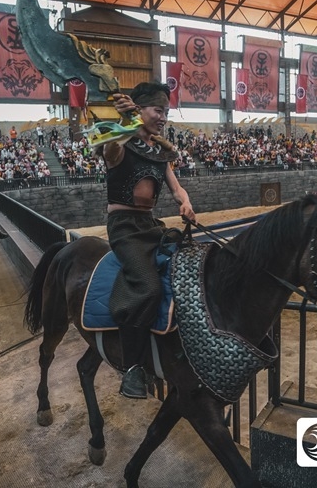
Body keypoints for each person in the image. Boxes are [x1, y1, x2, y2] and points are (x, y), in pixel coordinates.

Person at [105, 82, 196, 399]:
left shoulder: (159, 152)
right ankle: (132, 367)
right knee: (148, 286)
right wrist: (124, 122)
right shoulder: (119, 140)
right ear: (139, 110)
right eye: (158, 110)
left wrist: (186, 203)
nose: (163, 117)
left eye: (166, 112)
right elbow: (111, 152)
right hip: (124, 228)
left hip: (150, 225)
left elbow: (176, 188)